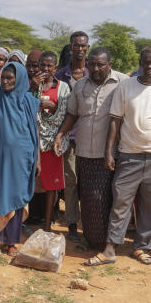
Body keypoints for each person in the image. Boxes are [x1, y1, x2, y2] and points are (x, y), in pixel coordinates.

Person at [90, 47, 151, 266]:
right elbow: (115, 120)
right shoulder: (125, 86)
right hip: (129, 154)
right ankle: (111, 249)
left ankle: (141, 247)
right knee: (121, 202)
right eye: (146, 63)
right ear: (140, 62)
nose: (150, 67)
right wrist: (109, 151)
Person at [55, 47, 125, 252]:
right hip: (84, 151)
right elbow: (72, 114)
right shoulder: (80, 86)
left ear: (109, 65)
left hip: (111, 154)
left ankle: (107, 242)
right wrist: (60, 134)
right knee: (86, 198)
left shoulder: (122, 83)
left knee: (104, 198)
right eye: (91, 64)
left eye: (100, 64)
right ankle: (90, 238)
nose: (95, 68)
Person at [0, 62, 40, 254]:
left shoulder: (29, 101)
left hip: (20, 159)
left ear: (19, 79)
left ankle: (11, 240)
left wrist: (37, 159)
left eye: (9, 78)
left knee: (16, 196)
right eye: (3, 78)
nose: (5, 82)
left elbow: (35, 131)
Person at [55, 31, 89, 241]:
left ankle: (89, 222)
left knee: (88, 183)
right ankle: (71, 223)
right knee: (71, 182)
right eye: (76, 46)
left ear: (87, 48)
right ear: (70, 47)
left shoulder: (93, 72)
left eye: (83, 46)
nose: (79, 49)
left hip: (91, 137)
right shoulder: (61, 76)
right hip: (69, 137)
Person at [35, 51, 70, 232]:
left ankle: (47, 225)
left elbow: (64, 114)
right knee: (30, 183)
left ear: (55, 68)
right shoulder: (33, 86)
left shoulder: (63, 88)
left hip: (52, 143)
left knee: (51, 186)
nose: (46, 69)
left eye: (50, 66)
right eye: (43, 65)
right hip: (34, 139)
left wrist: (53, 106)